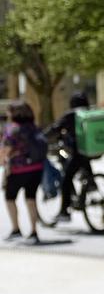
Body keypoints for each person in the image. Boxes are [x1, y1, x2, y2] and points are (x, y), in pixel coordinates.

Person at [44, 91, 93, 218]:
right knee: (85, 170)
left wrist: (42, 137)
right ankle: (92, 185)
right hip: (92, 151)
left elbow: (55, 128)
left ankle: (64, 211)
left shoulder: (72, 114)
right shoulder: (90, 112)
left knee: (66, 179)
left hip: (78, 152)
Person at [2, 101, 45, 244]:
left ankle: (16, 229)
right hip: (37, 168)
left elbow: (5, 151)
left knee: (9, 198)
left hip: (18, 169)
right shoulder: (34, 128)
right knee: (31, 199)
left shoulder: (12, 129)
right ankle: (34, 232)